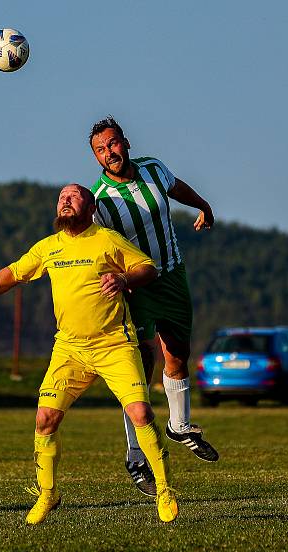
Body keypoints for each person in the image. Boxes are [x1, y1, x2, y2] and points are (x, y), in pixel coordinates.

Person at [0, 184, 179, 524]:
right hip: (70, 349)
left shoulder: (107, 239)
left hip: (114, 344)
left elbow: (147, 267)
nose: (65, 200)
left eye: (74, 196)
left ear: (90, 208)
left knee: (141, 414)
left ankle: (164, 490)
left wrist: (123, 278)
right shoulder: (49, 247)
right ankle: (48, 495)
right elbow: (14, 273)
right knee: (45, 419)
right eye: (61, 197)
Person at [88, 117, 219, 497]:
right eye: (100, 150)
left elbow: (176, 188)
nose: (109, 153)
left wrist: (204, 206)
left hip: (173, 275)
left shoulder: (152, 169)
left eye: (112, 144)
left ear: (125, 143)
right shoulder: (100, 199)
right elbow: (95, 245)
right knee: (140, 366)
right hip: (134, 288)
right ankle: (136, 455)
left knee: (177, 353)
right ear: (96, 157)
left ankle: (180, 427)